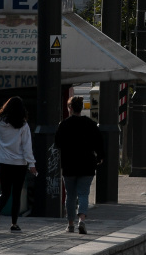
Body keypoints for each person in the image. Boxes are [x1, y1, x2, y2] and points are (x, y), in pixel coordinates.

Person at [0, 96, 37, 232]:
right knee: (17, 194)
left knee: (5, 192)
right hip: (20, 163)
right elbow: (27, 146)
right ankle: (14, 224)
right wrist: (32, 164)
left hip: (4, 162)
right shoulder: (23, 125)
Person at [54, 95, 106, 235]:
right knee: (83, 194)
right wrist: (100, 157)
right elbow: (99, 142)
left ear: (70, 108)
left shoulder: (64, 124)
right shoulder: (90, 123)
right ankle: (81, 220)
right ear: (81, 108)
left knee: (70, 195)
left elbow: (57, 143)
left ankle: (70, 224)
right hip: (87, 164)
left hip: (69, 164)